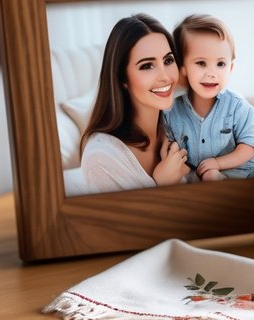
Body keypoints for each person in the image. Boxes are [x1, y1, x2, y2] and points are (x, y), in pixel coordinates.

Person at [80, 13, 192, 193]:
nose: (165, 77)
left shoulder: (180, 124)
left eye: (168, 60)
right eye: (147, 66)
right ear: (122, 78)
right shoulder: (101, 158)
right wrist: (161, 186)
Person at [166, 14, 254, 181]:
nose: (211, 73)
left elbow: (250, 147)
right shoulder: (171, 112)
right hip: (198, 173)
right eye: (201, 63)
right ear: (182, 67)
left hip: (242, 169)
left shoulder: (238, 107)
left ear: (230, 68)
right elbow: (171, 151)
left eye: (220, 64)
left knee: (211, 175)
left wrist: (218, 163)